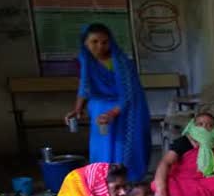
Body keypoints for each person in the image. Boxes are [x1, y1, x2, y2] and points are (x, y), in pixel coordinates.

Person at [64, 23, 150, 181]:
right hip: (98, 109)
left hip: (124, 109)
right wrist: (77, 109)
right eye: (94, 42)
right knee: (101, 144)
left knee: (119, 145)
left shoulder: (120, 62)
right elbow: (85, 86)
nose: (100, 46)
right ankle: (102, 179)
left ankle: (124, 181)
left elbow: (129, 94)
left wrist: (112, 113)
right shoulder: (86, 60)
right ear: (85, 42)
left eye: (104, 42)